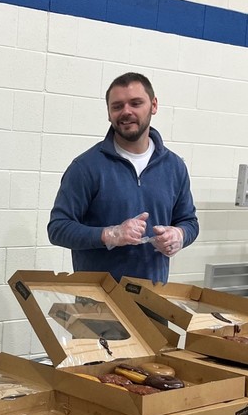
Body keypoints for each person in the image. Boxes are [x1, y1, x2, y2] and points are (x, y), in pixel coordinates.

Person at [47, 72, 199, 283]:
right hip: (98, 306)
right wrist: (109, 235)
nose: (126, 112)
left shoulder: (174, 167)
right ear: (109, 113)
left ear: (153, 105)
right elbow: (58, 229)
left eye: (136, 103)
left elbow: (189, 221)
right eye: (117, 106)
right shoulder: (86, 167)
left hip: (154, 302)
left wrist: (180, 235)